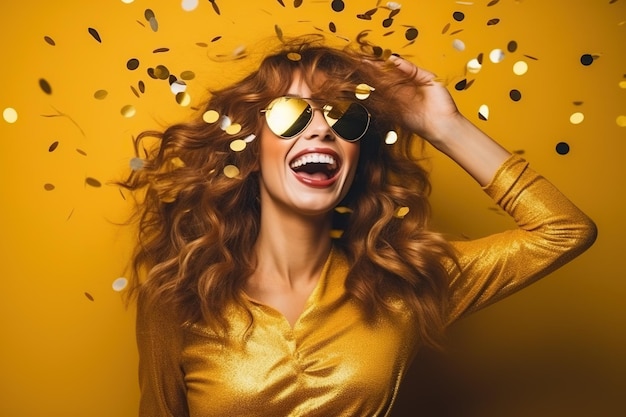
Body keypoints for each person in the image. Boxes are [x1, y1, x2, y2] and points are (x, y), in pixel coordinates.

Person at [121, 34, 597, 417]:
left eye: (343, 117)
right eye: (291, 113)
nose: (322, 128)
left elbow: (563, 230)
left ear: (356, 156)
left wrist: (442, 125)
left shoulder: (401, 285)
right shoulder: (180, 296)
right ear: (248, 146)